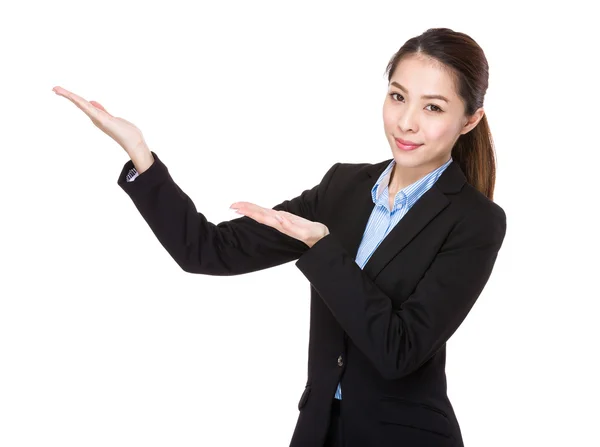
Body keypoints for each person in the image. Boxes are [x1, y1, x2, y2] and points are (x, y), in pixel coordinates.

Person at [53, 27, 506, 447]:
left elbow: (398, 351)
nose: (406, 122)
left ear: (469, 120)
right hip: (317, 431)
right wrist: (141, 155)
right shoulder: (343, 187)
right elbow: (206, 250)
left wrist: (321, 248)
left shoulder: (476, 221)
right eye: (397, 96)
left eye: (432, 107)